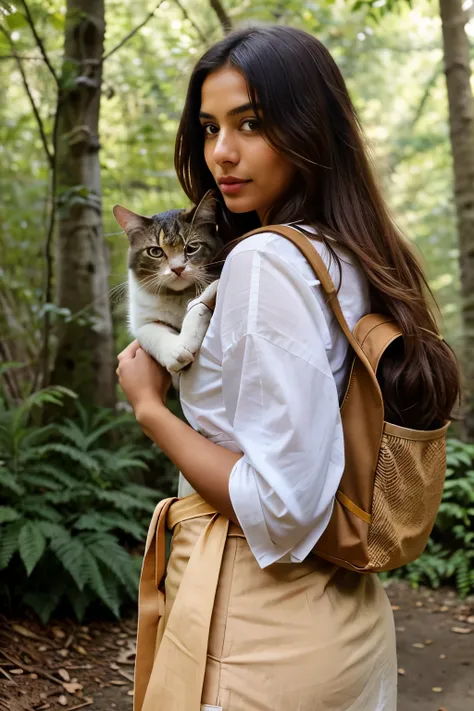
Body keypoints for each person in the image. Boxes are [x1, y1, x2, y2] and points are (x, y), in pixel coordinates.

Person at [116, 25, 460, 711]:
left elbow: (282, 504)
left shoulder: (267, 261)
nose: (222, 152)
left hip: (255, 625)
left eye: (252, 124)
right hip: (345, 619)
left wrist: (150, 408)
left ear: (312, 126)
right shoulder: (350, 254)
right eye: (209, 127)